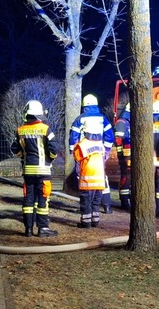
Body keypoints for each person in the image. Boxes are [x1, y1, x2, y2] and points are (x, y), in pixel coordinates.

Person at [11, 100, 60, 237]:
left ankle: (28, 229)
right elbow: (54, 149)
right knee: (43, 199)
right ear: (39, 114)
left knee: (28, 200)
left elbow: (15, 148)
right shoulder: (45, 129)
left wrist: (23, 156)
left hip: (28, 171)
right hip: (43, 171)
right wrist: (51, 158)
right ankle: (43, 228)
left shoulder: (20, 130)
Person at [68, 94, 115, 213]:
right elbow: (109, 135)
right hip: (99, 152)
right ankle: (107, 205)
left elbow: (74, 136)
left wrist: (73, 150)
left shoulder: (80, 119)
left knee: (84, 179)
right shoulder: (103, 118)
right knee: (101, 178)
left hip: (84, 153)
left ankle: (85, 208)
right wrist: (107, 150)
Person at [73, 119, 107, 228]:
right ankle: (95, 221)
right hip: (100, 180)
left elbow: (77, 158)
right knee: (96, 202)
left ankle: (86, 222)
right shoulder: (100, 144)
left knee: (86, 202)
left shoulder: (82, 144)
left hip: (87, 180)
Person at [114, 102, 132, 210]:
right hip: (125, 156)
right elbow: (118, 141)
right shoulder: (121, 123)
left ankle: (129, 200)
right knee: (126, 177)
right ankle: (124, 202)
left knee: (131, 178)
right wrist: (123, 156)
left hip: (131, 156)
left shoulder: (129, 122)